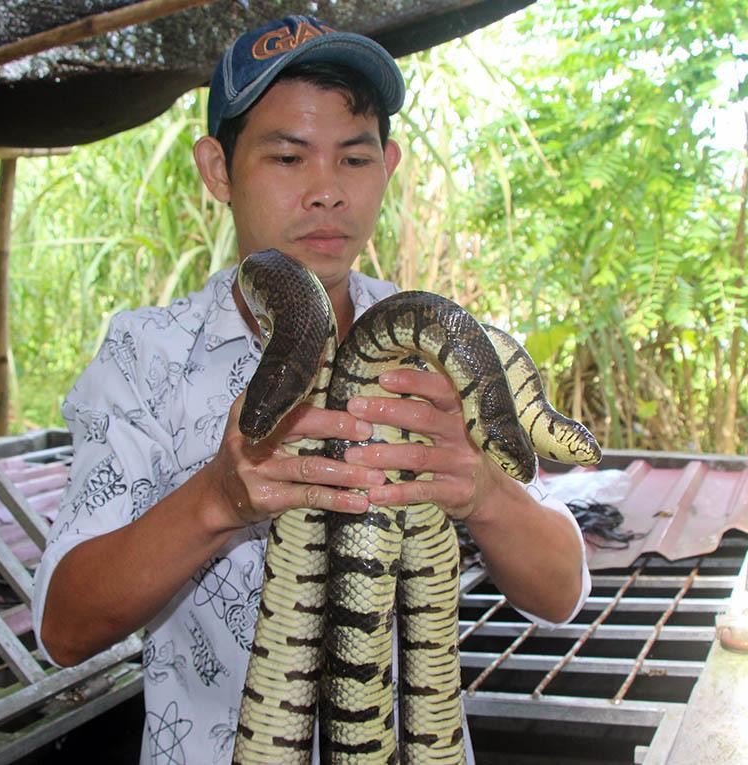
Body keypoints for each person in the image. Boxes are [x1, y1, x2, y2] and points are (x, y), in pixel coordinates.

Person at [32, 14, 591, 764]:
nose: (327, 192)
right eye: (288, 157)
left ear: (388, 165)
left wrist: (483, 489)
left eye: (354, 159)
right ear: (218, 170)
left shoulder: (443, 344)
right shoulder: (144, 358)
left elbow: (560, 592)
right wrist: (217, 499)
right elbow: (64, 630)